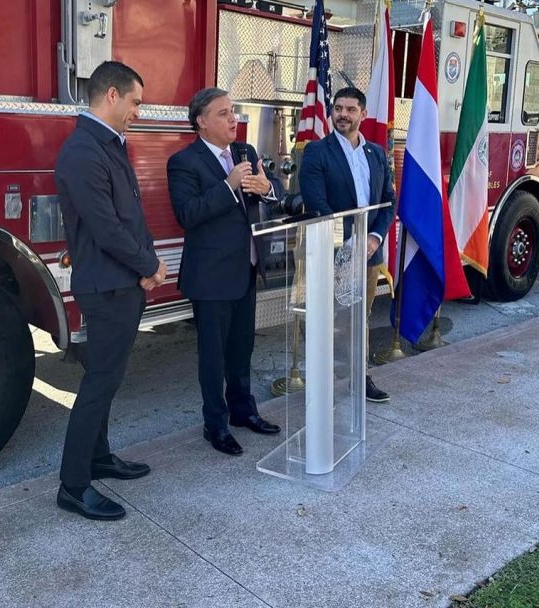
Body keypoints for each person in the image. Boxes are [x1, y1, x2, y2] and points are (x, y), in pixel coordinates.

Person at [55, 61, 166, 521]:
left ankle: (98, 457)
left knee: (109, 377)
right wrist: (149, 266)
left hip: (122, 281)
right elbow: (106, 228)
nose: (140, 111)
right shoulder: (84, 151)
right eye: (136, 102)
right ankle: (74, 485)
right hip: (107, 285)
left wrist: (145, 264)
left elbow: (130, 216)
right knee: (100, 383)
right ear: (113, 95)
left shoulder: (108, 144)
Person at [167, 88, 281, 456]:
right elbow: (188, 214)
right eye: (223, 113)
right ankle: (215, 425)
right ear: (201, 121)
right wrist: (229, 185)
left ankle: (243, 411)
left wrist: (268, 188)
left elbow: (272, 190)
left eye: (233, 111)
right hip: (211, 276)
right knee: (213, 357)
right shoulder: (184, 162)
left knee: (242, 348)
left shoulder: (245, 152)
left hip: (246, 269)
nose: (233, 119)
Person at [298, 86, 398, 403]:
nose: (343, 114)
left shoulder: (376, 154)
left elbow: (388, 202)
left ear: (362, 114)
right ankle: (322, 383)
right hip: (332, 253)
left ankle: (359, 378)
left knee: (359, 320)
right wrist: (348, 242)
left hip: (368, 254)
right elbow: (317, 204)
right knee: (327, 319)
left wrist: (374, 238)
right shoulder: (317, 152)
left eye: (350, 109)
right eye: (338, 108)